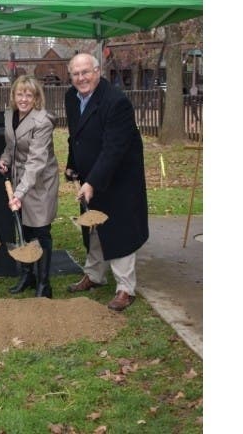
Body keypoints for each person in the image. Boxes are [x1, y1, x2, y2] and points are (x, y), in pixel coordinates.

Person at [64, 53, 149, 311]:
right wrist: (73, 164)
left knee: (118, 231)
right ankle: (95, 275)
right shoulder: (71, 97)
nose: (81, 78)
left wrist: (92, 183)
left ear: (97, 71)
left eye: (86, 72)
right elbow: (75, 136)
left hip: (119, 178)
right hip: (91, 174)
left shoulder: (116, 102)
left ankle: (125, 288)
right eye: (76, 74)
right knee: (93, 227)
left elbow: (114, 149)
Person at [0, 75, 59, 298]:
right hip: (18, 178)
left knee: (40, 230)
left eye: (28, 95)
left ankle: (44, 284)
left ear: (36, 98)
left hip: (40, 182)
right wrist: (5, 160)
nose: (23, 99)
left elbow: (36, 162)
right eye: (19, 94)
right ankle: (27, 275)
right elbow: (11, 147)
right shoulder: (9, 115)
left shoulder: (42, 121)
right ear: (13, 95)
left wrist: (20, 192)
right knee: (22, 227)